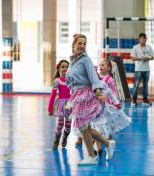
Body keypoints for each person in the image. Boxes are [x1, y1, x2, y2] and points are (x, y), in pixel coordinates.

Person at [66, 34, 115, 165]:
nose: (82, 46)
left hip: (86, 94)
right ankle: (107, 144)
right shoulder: (72, 60)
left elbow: (94, 77)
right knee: (84, 127)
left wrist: (98, 93)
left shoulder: (85, 60)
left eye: (84, 44)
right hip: (77, 95)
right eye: (79, 43)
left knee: (83, 127)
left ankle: (92, 156)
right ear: (73, 44)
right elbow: (69, 78)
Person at [48, 60, 72, 149]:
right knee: (60, 124)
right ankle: (56, 140)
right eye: (63, 67)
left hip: (70, 105)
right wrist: (50, 109)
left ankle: (65, 137)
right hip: (61, 105)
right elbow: (53, 95)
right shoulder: (57, 81)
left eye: (67, 67)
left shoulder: (71, 79)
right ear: (58, 69)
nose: (65, 68)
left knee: (68, 126)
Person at [131, 33, 154, 106]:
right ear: (139, 39)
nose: (143, 40)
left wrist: (147, 58)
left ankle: (145, 99)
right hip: (138, 69)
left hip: (146, 69)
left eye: (145, 38)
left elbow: (152, 57)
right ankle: (134, 100)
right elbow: (132, 58)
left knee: (145, 85)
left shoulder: (149, 47)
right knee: (136, 85)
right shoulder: (135, 47)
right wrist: (140, 58)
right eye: (142, 38)